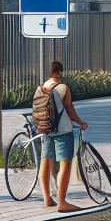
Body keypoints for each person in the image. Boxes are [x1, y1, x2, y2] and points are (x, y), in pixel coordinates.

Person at [33, 61, 88, 212]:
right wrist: (81, 122)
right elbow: (69, 109)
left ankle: (47, 199)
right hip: (63, 131)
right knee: (65, 165)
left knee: (45, 161)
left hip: (46, 129)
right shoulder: (62, 88)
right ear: (60, 72)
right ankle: (62, 202)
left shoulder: (42, 87)